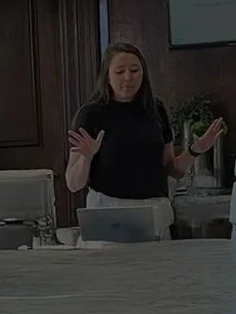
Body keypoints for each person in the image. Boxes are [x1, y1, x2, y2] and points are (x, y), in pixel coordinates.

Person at [66, 43, 226, 239]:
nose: (128, 77)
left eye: (134, 70)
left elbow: (171, 169)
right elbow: (73, 184)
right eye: (119, 71)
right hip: (109, 212)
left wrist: (196, 149)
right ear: (107, 76)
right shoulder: (90, 114)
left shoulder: (156, 109)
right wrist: (86, 158)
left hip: (154, 211)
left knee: (156, 269)